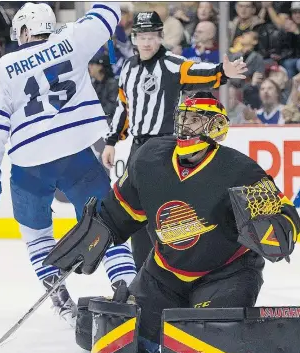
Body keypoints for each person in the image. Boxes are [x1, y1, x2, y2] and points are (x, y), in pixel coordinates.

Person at [44, 92, 300, 353]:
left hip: (226, 275)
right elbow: (121, 209)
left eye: (195, 120)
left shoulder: (240, 171)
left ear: (216, 128)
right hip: (163, 275)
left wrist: (272, 230)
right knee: (113, 340)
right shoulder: (149, 158)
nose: (186, 125)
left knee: (206, 347)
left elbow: (286, 216)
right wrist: (95, 231)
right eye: (183, 118)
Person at [0, 2, 136, 327]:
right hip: (77, 153)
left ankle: (61, 303)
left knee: (36, 234)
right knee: (109, 226)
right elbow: (107, 14)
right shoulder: (72, 40)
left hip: (29, 163)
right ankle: (127, 290)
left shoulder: (3, 67)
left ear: (23, 30)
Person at [102, 11, 248, 272]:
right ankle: (143, 274)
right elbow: (123, 107)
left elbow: (197, 72)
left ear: (160, 37)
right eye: (142, 36)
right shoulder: (128, 68)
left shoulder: (171, 64)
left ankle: (175, 271)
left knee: (166, 212)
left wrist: (221, 72)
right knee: (137, 211)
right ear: (134, 38)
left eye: (152, 36)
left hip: (164, 148)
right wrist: (112, 141)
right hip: (138, 148)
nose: (147, 42)